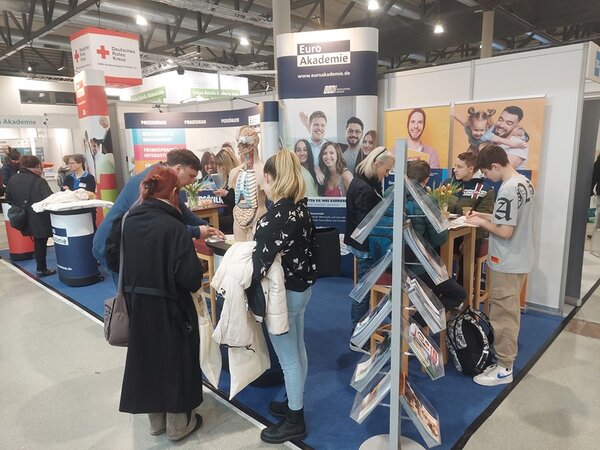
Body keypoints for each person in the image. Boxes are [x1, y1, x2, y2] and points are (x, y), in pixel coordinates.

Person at [105, 165, 205, 442]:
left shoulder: (127, 220)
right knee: (176, 361)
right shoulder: (174, 227)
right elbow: (189, 278)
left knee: (146, 359)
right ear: (173, 193)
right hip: (171, 305)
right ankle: (177, 424)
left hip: (136, 304)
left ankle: (156, 422)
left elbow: (112, 257)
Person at [250, 150, 317, 444]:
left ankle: (295, 420)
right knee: (298, 351)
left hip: (282, 296)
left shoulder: (274, 218)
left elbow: (258, 264)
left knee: (288, 359)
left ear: (269, 177)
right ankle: (293, 402)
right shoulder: (301, 210)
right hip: (301, 290)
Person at [93, 149, 224, 284]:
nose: (192, 182)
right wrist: (196, 231)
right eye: (191, 176)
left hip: (128, 242)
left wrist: (206, 226)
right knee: (129, 289)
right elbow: (153, 224)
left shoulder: (165, 180)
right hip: (112, 244)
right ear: (178, 169)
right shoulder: (146, 182)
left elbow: (182, 209)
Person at [466, 145, 535, 386]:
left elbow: (505, 231)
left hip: (506, 261)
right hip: (519, 258)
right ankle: (503, 363)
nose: (487, 177)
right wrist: (482, 216)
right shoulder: (524, 182)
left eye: (486, 173)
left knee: (503, 315)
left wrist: (480, 224)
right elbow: (507, 217)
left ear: (495, 166)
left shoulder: (507, 189)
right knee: (509, 312)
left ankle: (504, 367)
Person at [405, 160, 467, 324]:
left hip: (389, 262)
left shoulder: (389, 193)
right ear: (426, 180)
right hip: (416, 266)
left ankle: (407, 317)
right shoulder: (425, 200)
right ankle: (416, 321)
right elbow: (440, 238)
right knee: (458, 294)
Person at [344, 147, 395, 332]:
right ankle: (358, 331)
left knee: (364, 287)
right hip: (364, 246)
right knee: (364, 289)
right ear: (377, 163)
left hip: (363, 244)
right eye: (386, 170)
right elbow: (365, 224)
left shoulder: (367, 182)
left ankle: (363, 327)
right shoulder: (364, 188)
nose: (387, 174)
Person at [5, 155, 55, 277]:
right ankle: (41, 269)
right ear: (36, 166)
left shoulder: (13, 179)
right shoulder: (39, 181)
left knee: (36, 241)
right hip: (39, 217)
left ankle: (40, 266)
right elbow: (49, 198)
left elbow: (9, 198)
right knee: (40, 242)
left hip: (23, 216)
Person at [444, 152, 495, 256]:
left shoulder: (485, 190)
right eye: (455, 166)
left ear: (471, 169)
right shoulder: (448, 183)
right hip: (447, 231)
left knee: (468, 250)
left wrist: (469, 239)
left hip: (472, 235)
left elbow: (483, 224)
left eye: (459, 167)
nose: (455, 170)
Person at [229, 126, 267, 241]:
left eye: (246, 144)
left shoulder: (262, 170)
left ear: (255, 144)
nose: (243, 148)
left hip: (257, 216)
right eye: (241, 144)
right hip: (238, 216)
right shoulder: (235, 172)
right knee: (239, 249)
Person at [454, 107, 527, 155]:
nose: (478, 133)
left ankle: (521, 132)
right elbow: (458, 118)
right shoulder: (468, 127)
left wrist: (517, 145)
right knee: (467, 157)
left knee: (484, 145)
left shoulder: (487, 135)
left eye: (481, 130)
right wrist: (452, 110)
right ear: (471, 127)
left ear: (485, 128)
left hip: (485, 140)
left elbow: (503, 141)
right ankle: (489, 115)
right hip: (475, 143)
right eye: (476, 130)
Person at [214, 148, 238, 234]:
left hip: (236, 215)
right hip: (230, 214)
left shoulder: (237, 176)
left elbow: (240, 199)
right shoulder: (227, 178)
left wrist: (226, 194)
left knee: (214, 222)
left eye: (220, 165)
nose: (220, 168)